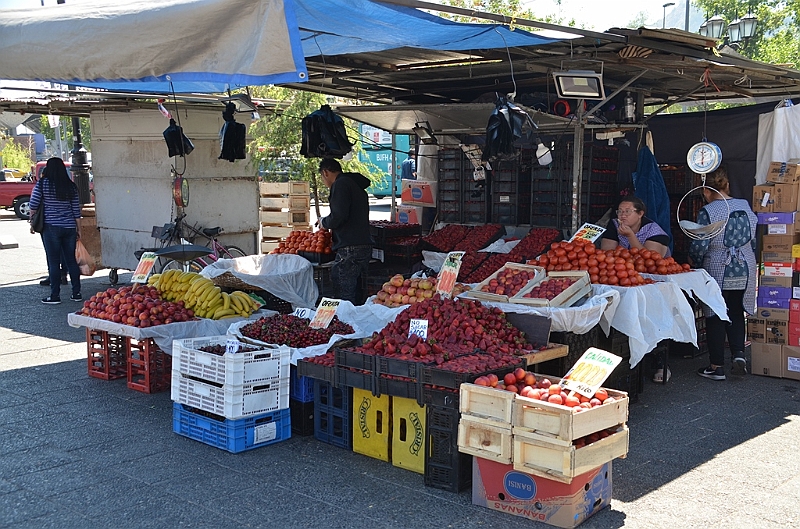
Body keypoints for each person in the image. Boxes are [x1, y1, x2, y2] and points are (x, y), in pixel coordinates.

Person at [689, 166, 756, 381]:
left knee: (716, 314)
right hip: (745, 267)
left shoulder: (708, 211)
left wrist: (695, 263)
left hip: (718, 267)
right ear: (726, 185)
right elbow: (753, 239)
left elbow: (700, 244)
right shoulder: (744, 205)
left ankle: (716, 366)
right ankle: (738, 355)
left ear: (706, 191)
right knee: (736, 312)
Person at [318, 158, 373, 304]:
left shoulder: (341, 185)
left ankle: (346, 323)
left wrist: (324, 222)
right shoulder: (355, 184)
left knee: (344, 294)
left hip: (349, 247)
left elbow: (338, 216)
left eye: (322, 178)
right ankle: (357, 322)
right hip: (364, 244)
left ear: (326, 172)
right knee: (358, 292)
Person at [29, 157, 82, 304]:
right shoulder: (70, 186)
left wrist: (32, 222)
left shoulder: (42, 184)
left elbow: (33, 205)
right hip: (69, 227)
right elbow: (76, 210)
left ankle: (55, 295)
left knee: (53, 262)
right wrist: (79, 228)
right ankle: (76, 293)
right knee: (71, 260)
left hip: (51, 227)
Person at [600, 196, 671, 258]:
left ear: (640, 214)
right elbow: (607, 253)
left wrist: (630, 236)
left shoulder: (654, 231)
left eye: (627, 211)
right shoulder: (615, 224)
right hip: (622, 268)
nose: (623, 215)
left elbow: (649, 259)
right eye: (620, 211)